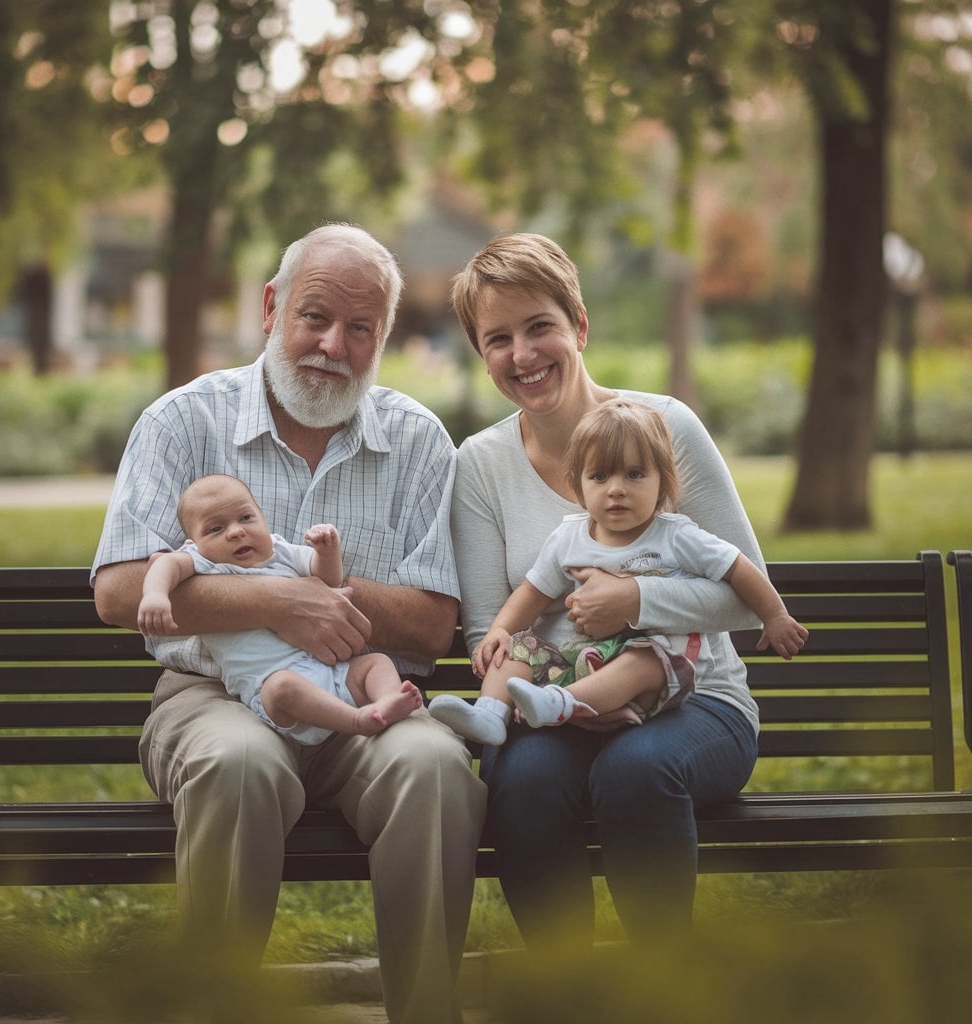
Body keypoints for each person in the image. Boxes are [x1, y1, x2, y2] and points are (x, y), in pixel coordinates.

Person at [92, 223, 486, 1024]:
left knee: (437, 768)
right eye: (314, 316)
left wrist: (330, 601)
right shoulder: (182, 420)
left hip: (363, 703)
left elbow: (434, 623)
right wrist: (274, 599)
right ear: (271, 307)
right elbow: (119, 587)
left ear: (383, 335)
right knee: (239, 763)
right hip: (216, 696)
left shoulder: (417, 443)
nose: (332, 344)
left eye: (360, 327)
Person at [448, 232, 768, 957]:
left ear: (580, 326)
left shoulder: (665, 428)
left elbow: (751, 596)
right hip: (552, 710)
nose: (522, 355)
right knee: (521, 779)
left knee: (637, 768)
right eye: (498, 338)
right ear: (480, 352)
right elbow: (483, 633)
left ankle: (661, 988)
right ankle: (571, 993)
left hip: (696, 704)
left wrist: (637, 604)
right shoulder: (480, 466)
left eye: (540, 327)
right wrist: (571, 697)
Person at [430, 398, 807, 746]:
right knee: (518, 647)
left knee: (641, 659)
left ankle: (559, 703)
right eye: (599, 477)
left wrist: (774, 615)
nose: (616, 490)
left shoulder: (677, 535)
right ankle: (490, 715)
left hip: (657, 665)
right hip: (578, 659)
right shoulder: (569, 537)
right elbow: (532, 593)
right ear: (578, 484)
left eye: (634, 475)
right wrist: (500, 631)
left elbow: (739, 568)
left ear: (663, 481)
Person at [137, 474, 424, 742]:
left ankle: (387, 701)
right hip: (274, 694)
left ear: (263, 518)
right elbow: (166, 563)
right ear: (193, 543)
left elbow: (326, 579)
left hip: (334, 675)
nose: (236, 532)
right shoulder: (205, 563)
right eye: (216, 528)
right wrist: (155, 595)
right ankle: (357, 721)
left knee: (376, 663)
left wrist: (327, 552)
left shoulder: (280, 552)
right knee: (283, 686)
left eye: (246, 517)